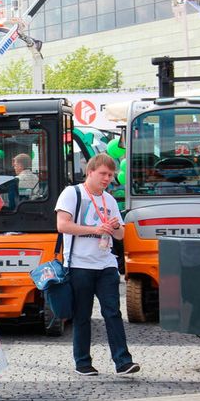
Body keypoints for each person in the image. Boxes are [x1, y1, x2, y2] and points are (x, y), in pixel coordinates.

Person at [55, 154, 140, 376]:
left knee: (112, 311)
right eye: (103, 174)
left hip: (106, 264)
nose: (107, 179)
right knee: (82, 315)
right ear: (90, 171)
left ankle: (123, 361)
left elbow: (121, 235)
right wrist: (95, 229)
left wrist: (113, 228)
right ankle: (83, 362)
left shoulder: (109, 200)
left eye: (111, 175)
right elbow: (62, 225)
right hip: (79, 265)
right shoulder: (72, 193)